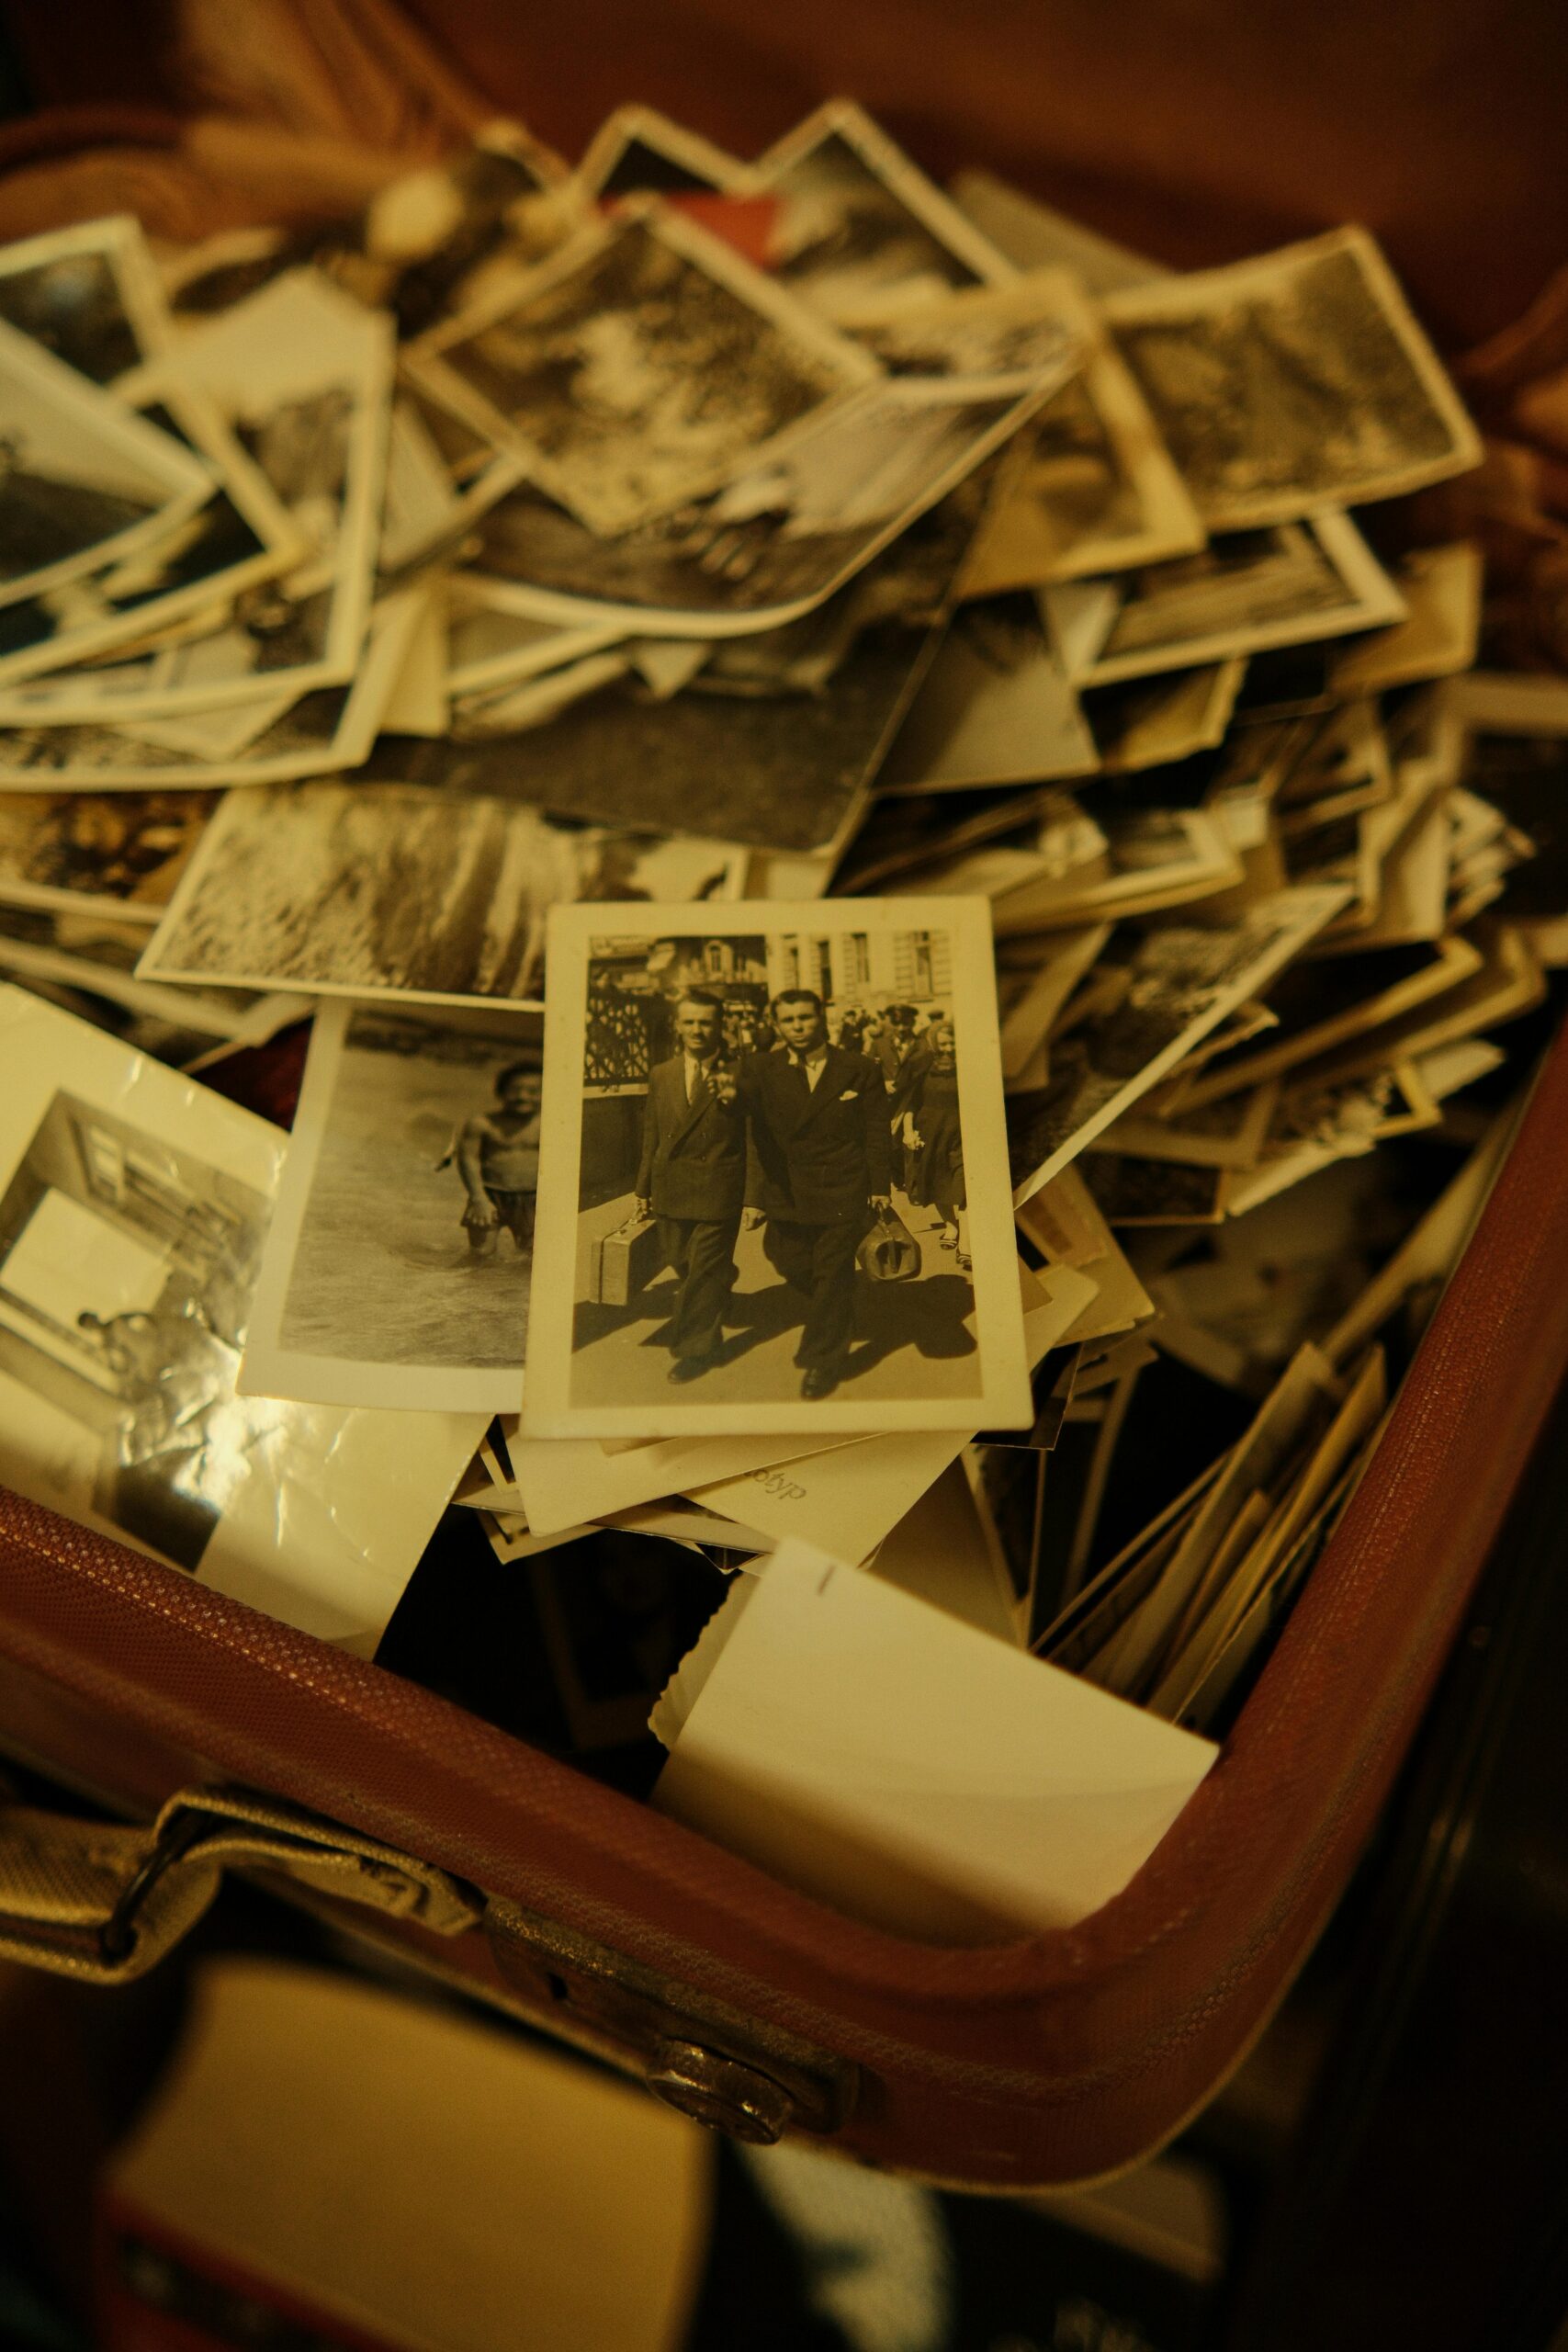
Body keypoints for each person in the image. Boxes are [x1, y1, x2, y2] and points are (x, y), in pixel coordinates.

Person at [726, 988, 892, 1399]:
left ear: (822, 1018)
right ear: (777, 1025)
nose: (798, 1027)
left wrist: (879, 1186)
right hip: (786, 1189)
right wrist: (753, 1196)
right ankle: (835, 1309)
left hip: (842, 1186)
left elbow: (875, 1131)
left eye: (805, 1017)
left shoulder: (858, 1068)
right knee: (786, 1258)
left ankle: (822, 1360)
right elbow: (748, 1130)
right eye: (789, 1021)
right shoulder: (760, 1068)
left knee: (831, 1273)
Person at [634, 990, 748, 1383]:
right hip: (670, 1188)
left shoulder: (738, 1073)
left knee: (701, 1271)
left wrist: (754, 1198)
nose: (698, 1030)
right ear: (678, 1026)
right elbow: (652, 1132)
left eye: (706, 1023)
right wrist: (642, 1189)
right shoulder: (661, 1073)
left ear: (720, 1027)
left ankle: (695, 1349)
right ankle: (720, 1280)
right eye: (690, 1022)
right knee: (682, 1262)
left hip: (719, 1187)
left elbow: (753, 1137)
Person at [897, 1021, 969, 1267]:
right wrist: (908, 1131)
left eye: (953, 1043)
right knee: (937, 1183)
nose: (948, 1048)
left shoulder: (967, 1067)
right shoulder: (923, 1069)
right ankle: (951, 1227)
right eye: (943, 1044)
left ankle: (966, 1243)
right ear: (934, 1045)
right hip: (930, 1134)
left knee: (964, 1187)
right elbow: (910, 1104)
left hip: (962, 1135)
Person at [456, 1062, 542, 1261]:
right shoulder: (481, 1123)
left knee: (529, 1258)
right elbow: (468, 1159)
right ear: (500, 1092)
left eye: (533, 1091)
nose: (523, 1097)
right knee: (480, 1255)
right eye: (514, 1090)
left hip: (532, 1199)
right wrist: (478, 1199)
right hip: (489, 1195)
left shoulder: (547, 1124)